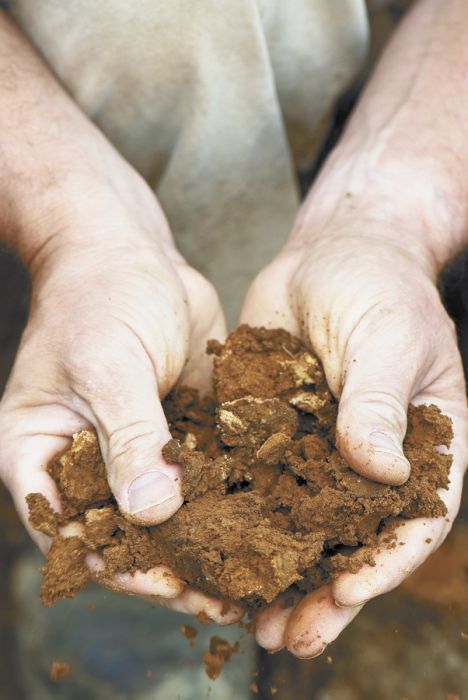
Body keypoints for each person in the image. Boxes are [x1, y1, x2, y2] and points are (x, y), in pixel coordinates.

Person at [0, 0, 466, 664]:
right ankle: (130, 637)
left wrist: (394, 216)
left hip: (388, 78)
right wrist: (65, 225)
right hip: (64, 119)